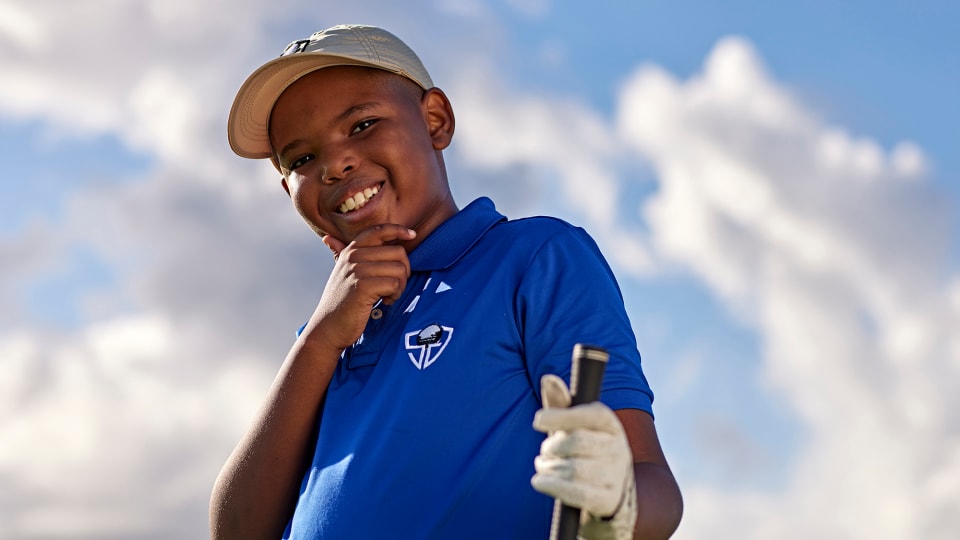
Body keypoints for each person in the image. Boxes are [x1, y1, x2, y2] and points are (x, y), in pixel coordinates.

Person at [210, 24, 682, 540]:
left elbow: (651, 484)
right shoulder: (328, 336)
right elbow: (235, 530)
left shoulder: (532, 258)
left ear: (435, 120)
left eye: (363, 124)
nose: (334, 164)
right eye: (301, 159)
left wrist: (615, 503)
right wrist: (321, 337)